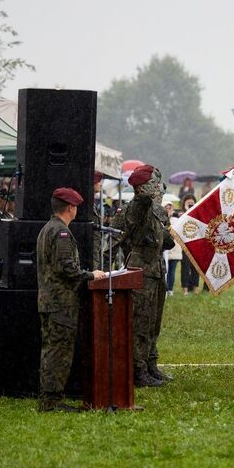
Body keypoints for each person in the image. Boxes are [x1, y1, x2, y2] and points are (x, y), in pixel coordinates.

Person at [36, 187, 105, 412]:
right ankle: (52, 401)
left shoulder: (47, 229)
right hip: (61, 303)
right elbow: (67, 269)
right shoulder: (61, 233)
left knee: (51, 349)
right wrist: (91, 275)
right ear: (71, 208)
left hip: (49, 301)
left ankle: (49, 398)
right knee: (59, 352)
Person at [112, 164, 174, 387]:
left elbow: (165, 240)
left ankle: (150, 363)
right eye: (155, 185)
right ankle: (137, 370)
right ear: (144, 188)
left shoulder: (155, 211)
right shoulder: (136, 207)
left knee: (153, 322)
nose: (160, 189)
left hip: (156, 271)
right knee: (141, 322)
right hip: (141, 272)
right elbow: (117, 238)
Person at [179, 194, 200, 294]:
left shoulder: (198, 213)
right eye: (189, 202)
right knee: (185, 267)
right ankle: (185, 289)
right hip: (185, 245)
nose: (191, 203)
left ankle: (195, 288)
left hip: (196, 244)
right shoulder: (180, 214)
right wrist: (187, 209)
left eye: (192, 202)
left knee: (196, 267)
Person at [164, 202, 181, 296]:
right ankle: (165, 289)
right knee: (165, 270)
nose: (168, 209)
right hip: (165, 250)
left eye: (170, 208)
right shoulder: (162, 220)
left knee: (172, 271)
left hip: (174, 250)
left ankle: (170, 289)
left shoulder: (176, 220)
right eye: (166, 208)